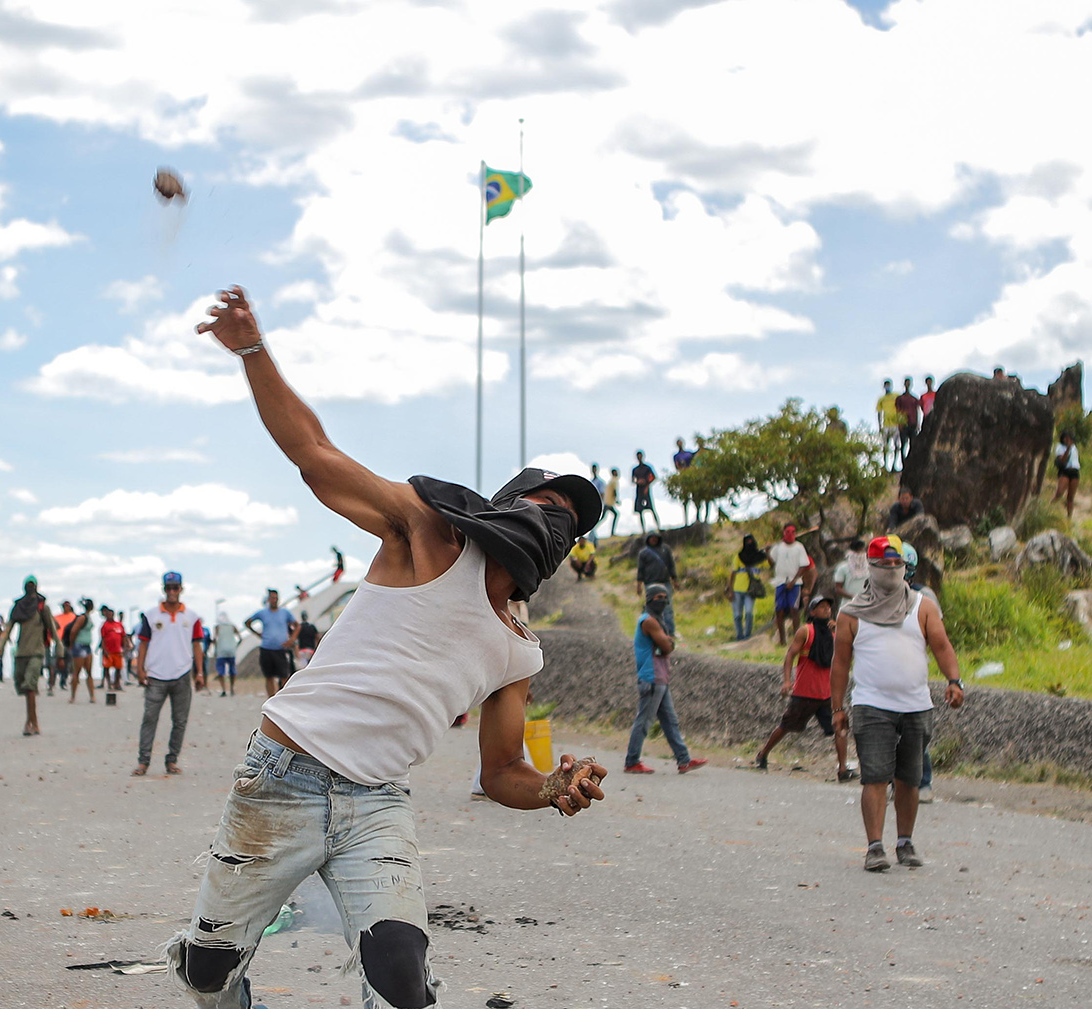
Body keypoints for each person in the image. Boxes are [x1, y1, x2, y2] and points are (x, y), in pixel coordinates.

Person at [171, 285, 608, 1009]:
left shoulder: (518, 651)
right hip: (282, 776)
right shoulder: (428, 534)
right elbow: (313, 454)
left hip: (377, 802)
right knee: (208, 972)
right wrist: (252, 350)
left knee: (403, 978)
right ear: (509, 506)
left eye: (574, 524)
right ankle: (218, 971)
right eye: (550, 506)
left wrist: (552, 789)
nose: (561, 525)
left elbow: (502, 770)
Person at [832, 536, 965, 872]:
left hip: (916, 705)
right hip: (870, 704)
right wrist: (837, 709)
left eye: (897, 565)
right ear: (871, 568)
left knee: (909, 779)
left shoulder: (922, 606)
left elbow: (942, 646)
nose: (892, 570)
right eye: (884, 565)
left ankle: (904, 842)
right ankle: (875, 848)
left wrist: (954, 681)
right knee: (874, 777)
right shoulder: (851, 613)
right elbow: (839, 663)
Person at [752, 596, 852, 780]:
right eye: (821, 607)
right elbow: (790, 655)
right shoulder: (806, 631)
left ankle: (843, 770)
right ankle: (762, 754)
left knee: (841, 728)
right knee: (786, 726)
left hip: (826, 694)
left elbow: (846, 655)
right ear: (812, 612)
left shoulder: (834, 634)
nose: (826, 610)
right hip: (804, 693)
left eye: (828, 608)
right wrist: (787, 681)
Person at [623, 583, 707, 775]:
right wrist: (669, 641)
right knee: (644, 721)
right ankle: (631, 761)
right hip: (652, 678)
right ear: (649, 599)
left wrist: (667, 640)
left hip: (660, 679)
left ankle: (684, 760)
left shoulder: (656, 620)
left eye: (664, 597)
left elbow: (666, 642)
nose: (662, 601)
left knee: (670, 721)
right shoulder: (649, 621)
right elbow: (667, 646)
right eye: (658, 597)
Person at [134, 571, 206, 776]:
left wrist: (199, 673)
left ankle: (172, 760)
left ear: (181, 589)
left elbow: (197, 646)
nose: (172, 592)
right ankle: (143, 761)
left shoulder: (192, 617)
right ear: (164, 590)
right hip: (156, 675)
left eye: (175, 587)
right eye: (168, 588)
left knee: (180, 721)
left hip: (182, 674)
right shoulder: (150, 615)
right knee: (149, 718)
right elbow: (143, 644)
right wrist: (140, 669)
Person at [6, 576, 56, 735]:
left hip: (36, 652)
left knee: (30, 686)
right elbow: (8, 627)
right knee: (23, 687)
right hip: (21, 652)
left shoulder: (42, 607)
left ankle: (31, 723)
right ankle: (33, 721)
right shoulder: (19, 607)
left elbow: (52, 629)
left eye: (32, 585)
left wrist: (60, 650)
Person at [246, 589, 298, 698]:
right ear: (268, 599)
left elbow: (297, 625)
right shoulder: (263, 613)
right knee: (269, 676)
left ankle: (283, 698)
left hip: (281, 648)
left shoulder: (285, 613)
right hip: (267, 648)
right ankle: (271, 698)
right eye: (272, 598)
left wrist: (292, 639)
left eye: (275, 598)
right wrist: (257, 634)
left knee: (284, 675)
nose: (274, 600)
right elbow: (248, 622)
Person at [768, 524, 812, 646]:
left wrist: (793, 581)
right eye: (788, 531)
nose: (790, 534)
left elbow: (804, 565)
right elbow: (772, 562)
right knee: (779, 610)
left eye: (793, 532)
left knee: (794, 609)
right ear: (783, 532)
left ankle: (797, 639)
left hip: (795, 583)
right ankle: (782, 640)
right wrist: (768, 553)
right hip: (780, 581)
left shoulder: (799, 547)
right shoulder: (778, 547)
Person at [728, 533, 769, 642]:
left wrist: (768, 551)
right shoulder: (738, 556)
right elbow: (733, 573)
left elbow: (770, 563)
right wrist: (730, 589)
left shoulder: (759, 557)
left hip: (751, 590)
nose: (749, 544)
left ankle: (747, 636)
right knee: (737, 615)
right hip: (737, 589)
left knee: (749, 613)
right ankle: (739, 635)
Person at [65, 598, 97, 703]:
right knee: (77, 672)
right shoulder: (82, 618)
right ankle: (73, 696)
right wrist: (71, 644)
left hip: (86, 646)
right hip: (79, 646)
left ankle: (92, 696)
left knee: (88, 672)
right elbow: (74, 630)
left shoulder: (88, 617)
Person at [1052, 430, 1081, 522]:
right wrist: (1067, 449)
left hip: (1074, 470)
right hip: (1065, 470)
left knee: (1071, 497)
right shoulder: (1060, 447)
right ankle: (1050, 508)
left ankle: (1069, 518)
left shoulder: (1074, 447)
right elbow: (1062, 460)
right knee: (1059, 492)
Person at [634, 530, 673, 597]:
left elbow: (671, 565)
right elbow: (640, 570)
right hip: (650, 583)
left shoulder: (665, 550)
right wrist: (639, 585)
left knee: (667, 603)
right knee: (652, 604)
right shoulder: (643, 553)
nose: (654, 540)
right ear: (648, 539)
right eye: (652, 538)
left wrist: (674, 580)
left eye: (656, 538)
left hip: (665, 582)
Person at [100, 605, 128, 694]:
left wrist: (124, 647)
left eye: (111, 614)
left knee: (118, 668)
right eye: (108, 614)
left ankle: (117, 684)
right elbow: (103, 639)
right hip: (109, 650)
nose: (110, 616)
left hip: (118, 650)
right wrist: (105, 650)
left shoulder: (119, 625)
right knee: (107, 667)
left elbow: (123, 636)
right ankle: (109, 684)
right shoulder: (105, 626)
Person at [630, 450, 661, 531]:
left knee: (651, 508)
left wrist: (647, 485)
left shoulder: (647, 468)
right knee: (640, 511)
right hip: (639, 490)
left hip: (646, 489)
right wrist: (637, 481)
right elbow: (632, 479)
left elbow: (653, 477)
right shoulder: (635, 469)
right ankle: (643, 529)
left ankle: (658, 526)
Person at [212, 611, 240, 696]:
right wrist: (235, 646)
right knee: (232, 670)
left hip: (221, 651)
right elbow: (240, 637)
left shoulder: (218, 627)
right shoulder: (232, 626)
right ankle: (232, 688)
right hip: (232, 650)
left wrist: (215, 650)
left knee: (221, 671)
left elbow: (215, 639)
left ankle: (224, 689)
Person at [894, 377, 920, 463]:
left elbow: (917, 411)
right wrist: (899, 423)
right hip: (904, 423)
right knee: (903, 445)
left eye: (909, 383)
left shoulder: (914, 398)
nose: (908, 385)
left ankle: (912, 462)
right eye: (906, 383)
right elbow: (898, 411)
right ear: (904, 385)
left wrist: (918, 423)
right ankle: (903, 463)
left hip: (913, 423)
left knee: (913, 444)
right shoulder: (900, 398)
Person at [876, 379, 900, 470]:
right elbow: (879, 412)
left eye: (888, 385)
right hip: (886, 425)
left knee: (897, 446)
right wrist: (880, 425)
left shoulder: (896, 396)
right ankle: (885, 465)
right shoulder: (881, 399)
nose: (887, 387)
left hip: (895, 424)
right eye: (886, 385)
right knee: (885, 446)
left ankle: (894, 464)